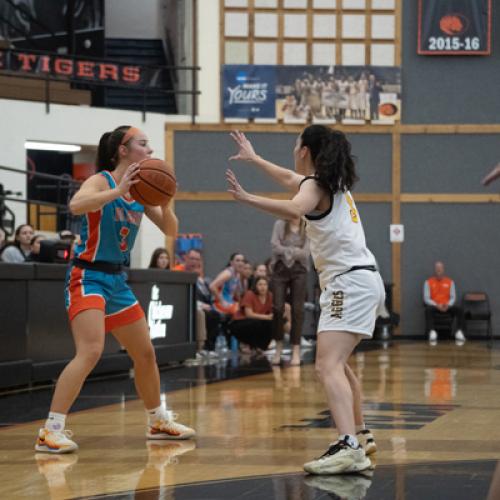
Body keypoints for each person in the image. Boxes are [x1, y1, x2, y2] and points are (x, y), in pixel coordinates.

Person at [227, 126, 384, 475]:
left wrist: (247, 198)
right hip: (360, 280)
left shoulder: (315, 187)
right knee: (338, 364)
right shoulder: (329, 183)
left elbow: (294, 209)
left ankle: (348, 446)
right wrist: (253, 159)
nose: (293, 147)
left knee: (326, 366)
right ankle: (359, 434)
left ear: (306, 150)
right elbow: (287, 178)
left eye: (297, 142)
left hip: (349, 283)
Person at [35, 125, 195, 454]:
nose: (150, 150)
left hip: (116, 281)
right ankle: (50, 430)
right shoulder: (104, 180)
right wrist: (117, 189)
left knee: (146, 353)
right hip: (87, 276)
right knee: (91, 351)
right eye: (143, 144)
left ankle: (157, 420)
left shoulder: (140, 192)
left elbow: (171, 230)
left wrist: (166, 200)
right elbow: (77, 205)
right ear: (122, 150)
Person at [270, 217, 309, 366]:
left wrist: (285, 250)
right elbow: (274, 246)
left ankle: (296, 349)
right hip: (280, 268)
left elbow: (306, 253)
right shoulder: (280, 224)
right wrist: (294, 251)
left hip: (300, 269)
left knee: (298, 309)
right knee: (278, 307)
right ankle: (278, 347)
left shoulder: (308, 226)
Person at [184, 248, 221, 357]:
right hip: (189, 308)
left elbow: (209, 297)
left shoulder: (203, 280)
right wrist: (200, 305)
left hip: (205, 309)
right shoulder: (182, 275)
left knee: (215, 315)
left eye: (197, 259)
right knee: (208, 315)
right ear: (186, 259)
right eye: (192, 259)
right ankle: (199, 347)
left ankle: (210, 348)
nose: (194, 262)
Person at [424, 261, 465, 344]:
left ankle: (459, 332)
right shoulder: (428, 282)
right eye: (437, 268)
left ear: (443, 270)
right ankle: (432, 332)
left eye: (440, 268)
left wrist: (448, 304)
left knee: (459, 309)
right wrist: (436, 305)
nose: (439, 270)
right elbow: (426, 298)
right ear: (434, 270)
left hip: (447, 306)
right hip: (435, 306)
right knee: (427, 310)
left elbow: (453, 297)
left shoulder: (450, 282)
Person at [230, 276, 273, 353]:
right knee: (256, 323)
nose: (263, 287)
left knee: (271, 323)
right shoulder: (250, 294)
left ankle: (261, 346)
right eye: (260, 284)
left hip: (258, 321)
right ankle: (245, 343)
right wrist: (267, 317)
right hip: (240, 322)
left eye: (265, 284)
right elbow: (249, 314)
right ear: (255, 286)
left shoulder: (270, 295)